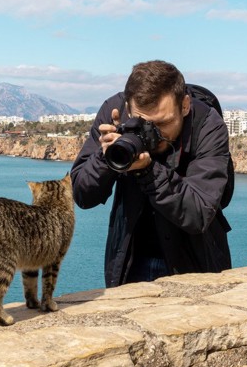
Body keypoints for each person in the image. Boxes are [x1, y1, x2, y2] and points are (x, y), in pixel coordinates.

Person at [71, 60, 232, 287]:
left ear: (185, 105)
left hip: (195, 262)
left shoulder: (207, 125)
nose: (153, 134)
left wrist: (148, 170)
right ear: (129, 108)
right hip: (130, 260)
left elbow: (199, 214)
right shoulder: (114, 111)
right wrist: (106, 157)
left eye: (163, 123)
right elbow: (82, 195)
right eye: (143, 123)